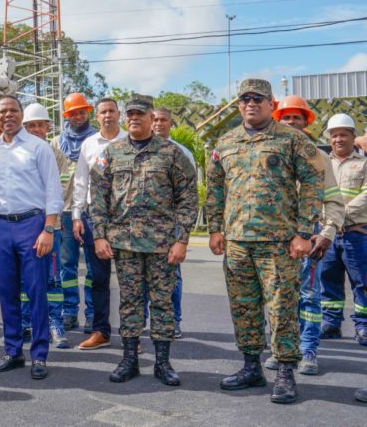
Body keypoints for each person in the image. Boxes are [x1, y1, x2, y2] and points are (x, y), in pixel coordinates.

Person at [206, 79, 324, 404]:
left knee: (282, 307)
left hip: (279, 242)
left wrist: (304, 232)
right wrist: (215, 229)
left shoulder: (291, 139)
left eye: (258, 98)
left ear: (271, 103)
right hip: (238, 242)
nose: (251, 103)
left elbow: (314, 182)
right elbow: (215, 186)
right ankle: (250, 366)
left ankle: (285, 372)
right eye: (245, 98)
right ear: (238, 104)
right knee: (244, 308)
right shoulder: (227, 142)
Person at [91, 95, 197, 386]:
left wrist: (182, 239)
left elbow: (188, 198)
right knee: (130, 303)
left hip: (163, 244)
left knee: (163, 303)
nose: (134, 118)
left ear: (153, 118)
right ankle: (130, 360)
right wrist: (99, 235)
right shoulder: (112, 154)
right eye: (131, 114)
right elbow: (98, 197)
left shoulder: (171, 153)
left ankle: (163, 363)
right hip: (125, 244)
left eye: (141, 114)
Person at [0, 95, 63, 380]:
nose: (8, 115)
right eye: (2, 111)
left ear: (21, 114)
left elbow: (54, 192)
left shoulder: (39, 148)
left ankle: (39, 354)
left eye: (13, 110)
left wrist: (48, 229)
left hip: (33, 224)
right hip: (1, 226)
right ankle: (13, 350)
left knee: (36, 291)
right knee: (6, 292)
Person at [265, 96, 345, 375]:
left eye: (296, 118)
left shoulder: (319, 157)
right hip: (274, 239)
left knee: (309, 298)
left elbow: (334, 200)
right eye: (285, 118)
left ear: (305, 121)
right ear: (277, 120)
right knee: (278, 296)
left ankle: (308, 350)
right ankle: (282, 348)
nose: (290, 123)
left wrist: (327, 234)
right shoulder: (268, 154)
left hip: (309, 238)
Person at [72, 97, 126, 350]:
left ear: (119, 114)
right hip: (95, 218)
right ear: (98, 116)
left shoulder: (129, 141)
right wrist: (76, 215)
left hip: (126, 219)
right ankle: (101, 331)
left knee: (131, 280)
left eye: (111, 111)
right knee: (98, 278)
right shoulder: (89, 144)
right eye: (103, 112)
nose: (107, 116)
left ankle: (132, 335)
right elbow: (81, 182)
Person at [22, 103, 70, 349]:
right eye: (32, 126)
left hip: (51, 226)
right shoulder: (18, 152)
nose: (37, 129)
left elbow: (60, 190)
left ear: (47, 128)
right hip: (24, 226)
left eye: (41, 125)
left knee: (52, 278)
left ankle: (54, 322)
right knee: (25, 278)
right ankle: (26, 322)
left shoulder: (57, 155)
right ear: (26, 128)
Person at [145, 107, 196, 339]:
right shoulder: (139, 149)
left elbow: (189, 194)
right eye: (154, 119)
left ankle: (174, 321)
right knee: (139, 279)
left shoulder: (181, 152)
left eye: (163, 120)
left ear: (171, 123)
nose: (158, 123)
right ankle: (144, 322)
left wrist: (182, 232)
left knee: (172, 276)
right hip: (143, 227)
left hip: (171, 226)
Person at [320, 113, 367, 347]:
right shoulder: (322, 163)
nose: (338, 139)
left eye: (343, 135)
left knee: (362, 282)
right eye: (334, 135)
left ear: (353, 136)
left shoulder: (364, 163)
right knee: (328, 280)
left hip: (354, 234)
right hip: (327, 235)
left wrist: (338, 215)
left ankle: (363, 326)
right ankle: (331, 323)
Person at [52, 93, 96, 334]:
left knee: (93, 265)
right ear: (66, 116)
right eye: (73, 113)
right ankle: (70, 311)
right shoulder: (57, 144)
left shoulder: (98, 140)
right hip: (66, 211)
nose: (78, 116)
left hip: (90, 211)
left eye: (82, 111)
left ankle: (92, 313)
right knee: (67, 265)